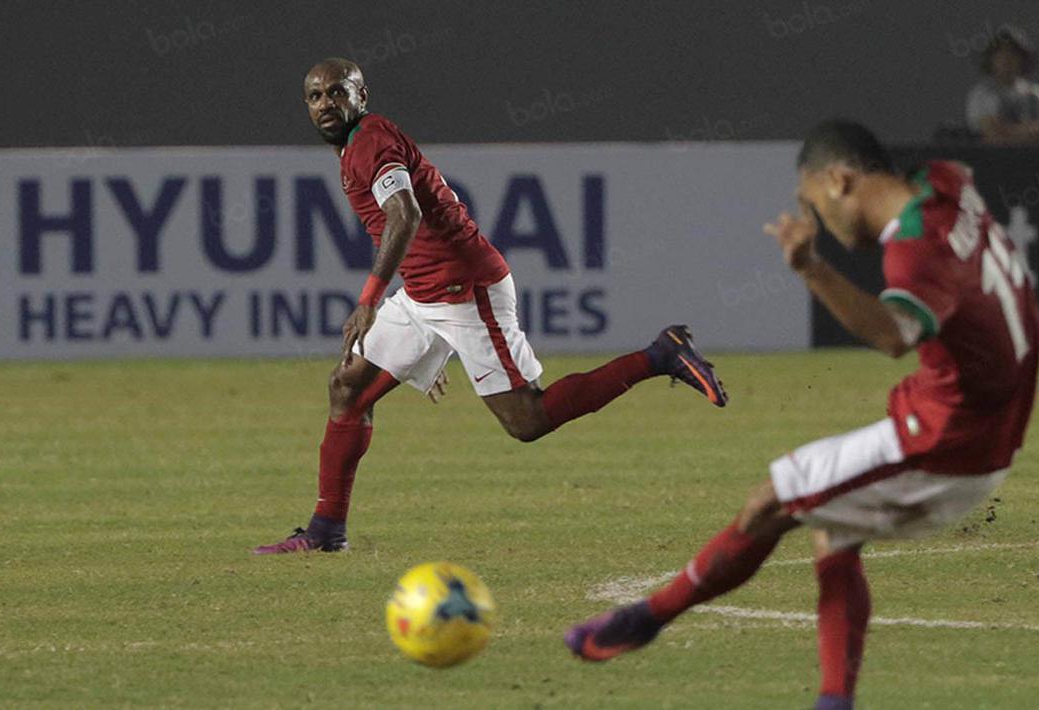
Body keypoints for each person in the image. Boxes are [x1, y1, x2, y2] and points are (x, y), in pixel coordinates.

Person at [564, 120, 1039, 710]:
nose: (818, 221)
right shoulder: (946, 187)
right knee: (831, 529)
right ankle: (833, 700)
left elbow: (893, 335)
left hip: (945, 442)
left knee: (771, 499)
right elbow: (956, 179)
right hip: (981, 431)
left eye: (813, 202)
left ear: (841, 179)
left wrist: (810, 266)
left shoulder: (915, 252)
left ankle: (647, 618)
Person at [253, 58, 728, 555]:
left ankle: (659, 355)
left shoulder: (369, 140)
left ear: (362, 95)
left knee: (528, 421)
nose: (327, 103)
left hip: (463, 288)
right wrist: (421, 345)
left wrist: (369, 300)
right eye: (315, 96)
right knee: (348, 388)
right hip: (424, 293)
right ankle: (327, 530)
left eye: (337, 92)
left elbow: (405, 213)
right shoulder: (355, 145)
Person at [966, 25, 1039, 143]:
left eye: (1013, 53)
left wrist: (1009, 131)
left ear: (1023, 58)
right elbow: (993, 134)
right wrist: (1028, 132)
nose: (1006, 59)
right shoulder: (981, 95)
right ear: (991, 58)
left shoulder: (1037, 93)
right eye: (1000, 53)